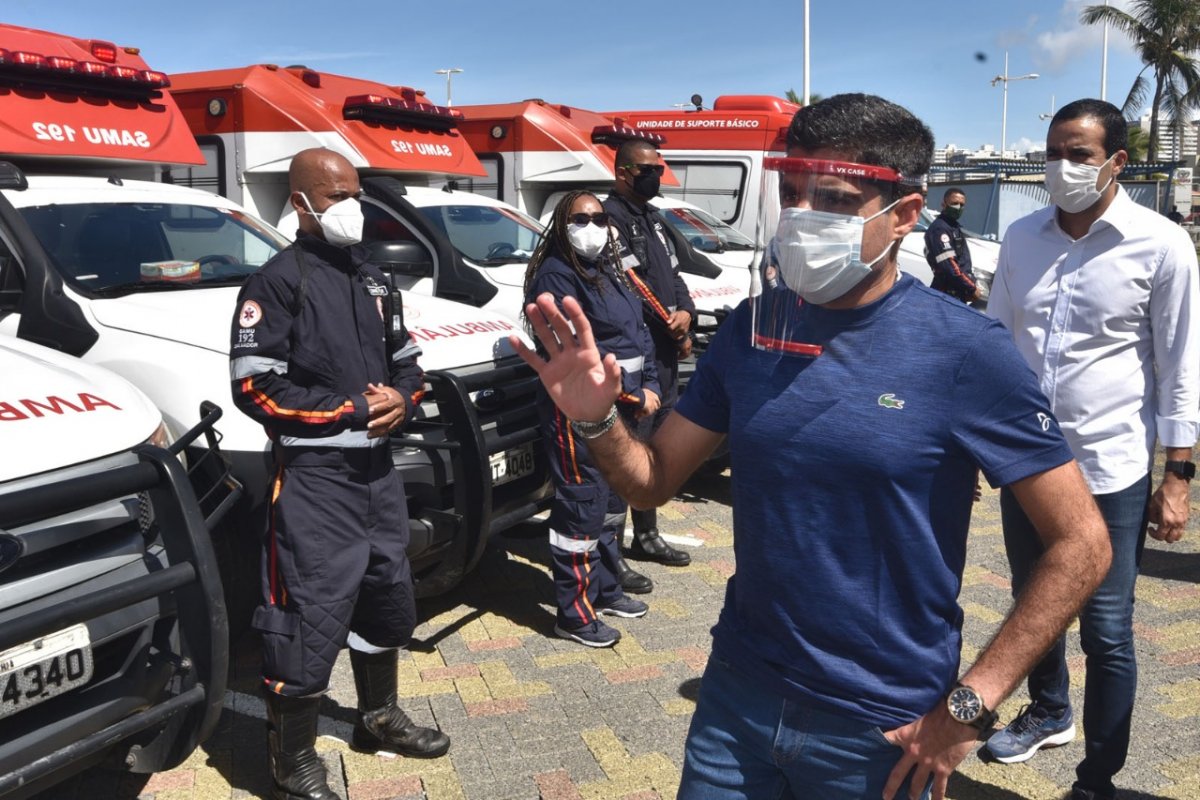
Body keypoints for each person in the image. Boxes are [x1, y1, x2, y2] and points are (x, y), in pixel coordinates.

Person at [511, 94, 1112, 800]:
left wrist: (969, 706)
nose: (800, 217)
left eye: (832, 199)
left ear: (905, 215)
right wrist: (595, 421)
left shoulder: (965, 353)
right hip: (736, 698)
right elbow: (651, 481)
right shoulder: (751, 330)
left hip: (882, 727)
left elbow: (1082, 544)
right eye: (792, 192)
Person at [985, 99, 1199, 800]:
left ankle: (1097, 779)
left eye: (1078, 153)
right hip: (1030, 465)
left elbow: (1179, 366)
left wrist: (1179, 474)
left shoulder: (1162, 244)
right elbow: (993, 345)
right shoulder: (1020, 238)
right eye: (1053, 151)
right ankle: (1049, 711)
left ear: (1117, 162)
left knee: (1106, 634)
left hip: (1112, 471)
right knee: (1031, 605)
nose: (1062, 166)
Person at [230, 148, 450, 800]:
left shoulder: (375, 278)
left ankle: (378, 716)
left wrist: (404, 399)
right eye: (335, 196)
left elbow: (409, 360)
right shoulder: (275, 283)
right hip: (314, 477)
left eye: (355, 192)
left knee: (388, 596)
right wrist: (353, 408)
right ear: (299, 202)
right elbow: (256, 390)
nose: (352, 206)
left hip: (378, 476)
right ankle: (291, 759)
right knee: (307, 614)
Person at [523, 190, 660, 647]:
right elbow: (574, 354)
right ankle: (574, 613)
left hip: (627, 408)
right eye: (580, 219)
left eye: (599, 218)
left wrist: (652, 388)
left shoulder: (610, 270)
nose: (592, 227)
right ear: (562, 225)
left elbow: (639, 337)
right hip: (581, 412)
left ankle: (604, 588)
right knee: (582, 504)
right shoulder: (556, 276)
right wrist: (631, 393)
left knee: (610, 503)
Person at [603, 139, 694, 582]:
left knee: (656, 448)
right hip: (636, 354)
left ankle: (647, 533)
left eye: (657, 168)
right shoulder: (608, 220)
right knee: (627, 453)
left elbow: (673, 276)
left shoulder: (654, 218)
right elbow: (632, 284)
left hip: (665, 354)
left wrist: (686, 315)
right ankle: (610, 551)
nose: (654, 176)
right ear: (622, 172)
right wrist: (666, 322)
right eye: (646, 169)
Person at [924, 187, 977, 303]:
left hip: (957, 291)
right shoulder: (940, 229)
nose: (958, 207)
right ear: (943, 204)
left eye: (962, 205)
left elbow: (963, 261)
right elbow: (949, 265)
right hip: (946, 294)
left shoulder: (953, 227)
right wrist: (971, 288)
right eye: (954, 203)